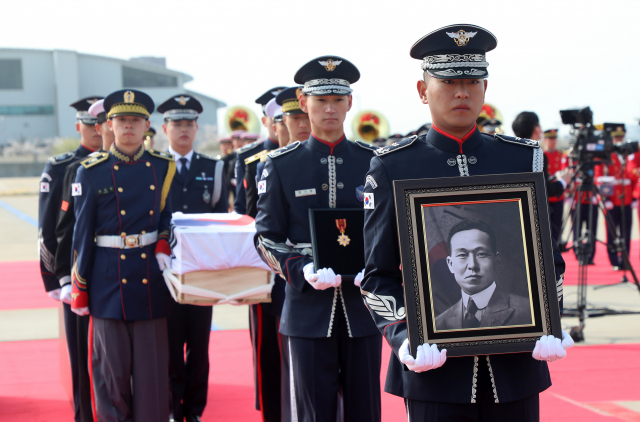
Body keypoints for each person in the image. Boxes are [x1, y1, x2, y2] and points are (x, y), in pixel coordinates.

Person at [361, 24, 573, 421]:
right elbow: (377, 276)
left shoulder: (521, 160)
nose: (462, 92)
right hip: (434, 373)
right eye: (449, 81)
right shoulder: (393, 166)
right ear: (423, 91)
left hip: (516, 369)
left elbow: (547, 259)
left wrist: (550, 320)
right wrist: (405, 336)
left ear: (485, 89)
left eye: (473, 81)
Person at [254, 55, 382, 422]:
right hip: (307, 308)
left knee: (366, 411)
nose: (330, 109)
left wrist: (375, 268)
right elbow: (266, 237)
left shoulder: (374, 161)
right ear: (302, 100)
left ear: (350, 104)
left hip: (363, 306)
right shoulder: (280, 164)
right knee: (312, 413)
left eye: (338, 100)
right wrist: (301, 268)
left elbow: (389, 229)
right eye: (321, 100)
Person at [70, 89, 175, 422]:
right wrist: (80, 286)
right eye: (121, 121)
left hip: (149, 281)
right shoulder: (91, 170)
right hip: (106, 282)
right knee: (111, 381)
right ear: (109, 125)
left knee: (153, 382)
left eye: (135, 121)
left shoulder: (162, 167)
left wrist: (161, 245)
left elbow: (166, 219)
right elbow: (82, 234)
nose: (128, 127)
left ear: (147, 125)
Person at [157, 93, 228, 422]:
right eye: (176, 124)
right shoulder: (155, 167)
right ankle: (172, 409)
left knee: (199, 348)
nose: (183, 130)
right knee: (170, 347)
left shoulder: (213, 168)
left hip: (202, 273)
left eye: (189, 124)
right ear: (164, 127)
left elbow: (221, 219)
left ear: (197, 128)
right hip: (166, 272)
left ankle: (195, 410)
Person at [38, 95, 103, 422]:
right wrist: (58, 278)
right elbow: (49, 228)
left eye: (101, 123)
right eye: (90, 124)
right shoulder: (62, 167)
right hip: (75, 278)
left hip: (114, 276)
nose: (96, 130)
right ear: (79, 126)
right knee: (81, 358)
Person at [52, 98, 114, 422]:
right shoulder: (77, 170)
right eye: (102, 124)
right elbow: (64, 230)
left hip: (123, 281)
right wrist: (65, 279)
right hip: (85, 279)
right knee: (85, 359)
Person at [243, 96, 291, 422]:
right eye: (283, 120)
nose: (289, 126)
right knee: (269, 354)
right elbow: (248, 218)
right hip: (269, 274)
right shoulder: (255, 162)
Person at [435, 219, 532, 330]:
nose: (472, 265)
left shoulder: (529, 312)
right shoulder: (438, 325)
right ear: (450, 264)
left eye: (481, 254)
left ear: (497, 260)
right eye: (462, 255)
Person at [233, 88, 284, 215]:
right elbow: (242, 205)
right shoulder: (247, 156)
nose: (282, 124)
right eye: (275, 119)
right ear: (264, 121)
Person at [595, 123, 636, 270]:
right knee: (612, 233)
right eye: (616, 137)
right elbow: (599, 176)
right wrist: (605, 198)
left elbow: (634, 176)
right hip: (612, 200)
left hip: (626, 199)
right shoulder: (606, 154)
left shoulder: (629, 154)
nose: (618, 140)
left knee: (626, 234)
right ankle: (614, 261)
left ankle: (625, 261)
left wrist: (635, 197)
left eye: (620, 137)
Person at [542, 129, 568, 242]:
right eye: (550, 139)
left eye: (554, 139)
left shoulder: (561, 155)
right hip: (547, 195)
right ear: (545, 140)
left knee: (557, 225)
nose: (552, 142)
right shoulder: (542, 155)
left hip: (558, 195)